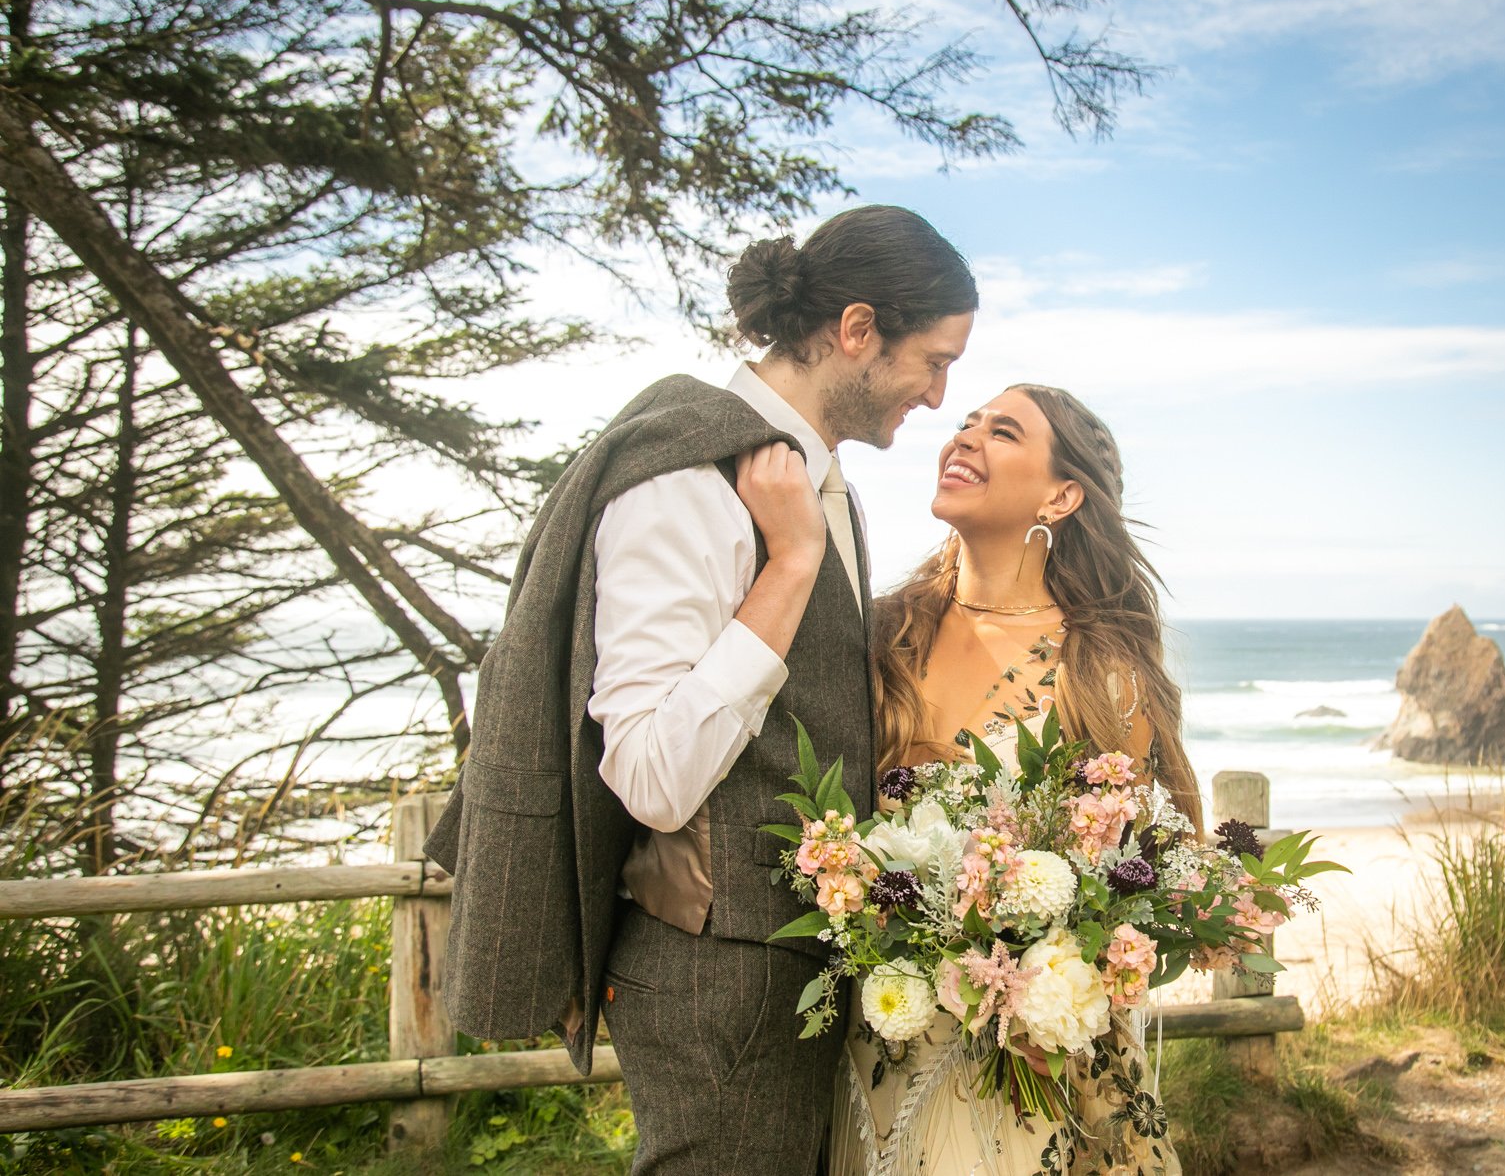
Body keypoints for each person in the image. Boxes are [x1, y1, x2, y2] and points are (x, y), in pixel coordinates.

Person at [423, 205, 976, 1175]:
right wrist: (789, 565)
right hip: (717, 976)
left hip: (786, 959)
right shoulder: (684, 480)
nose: (936, 396)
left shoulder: (818, 476)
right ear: (856, 331)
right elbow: (647, 774)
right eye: (930, 361)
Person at [828, 384, 1199, 1175]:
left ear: (1062, 494)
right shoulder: (881, 635)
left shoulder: (1099, 670)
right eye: (964, 423)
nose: (964, 438)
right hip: (888, 1039)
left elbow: (1115, 879)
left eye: (1001, 432)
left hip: (1035, 1067)